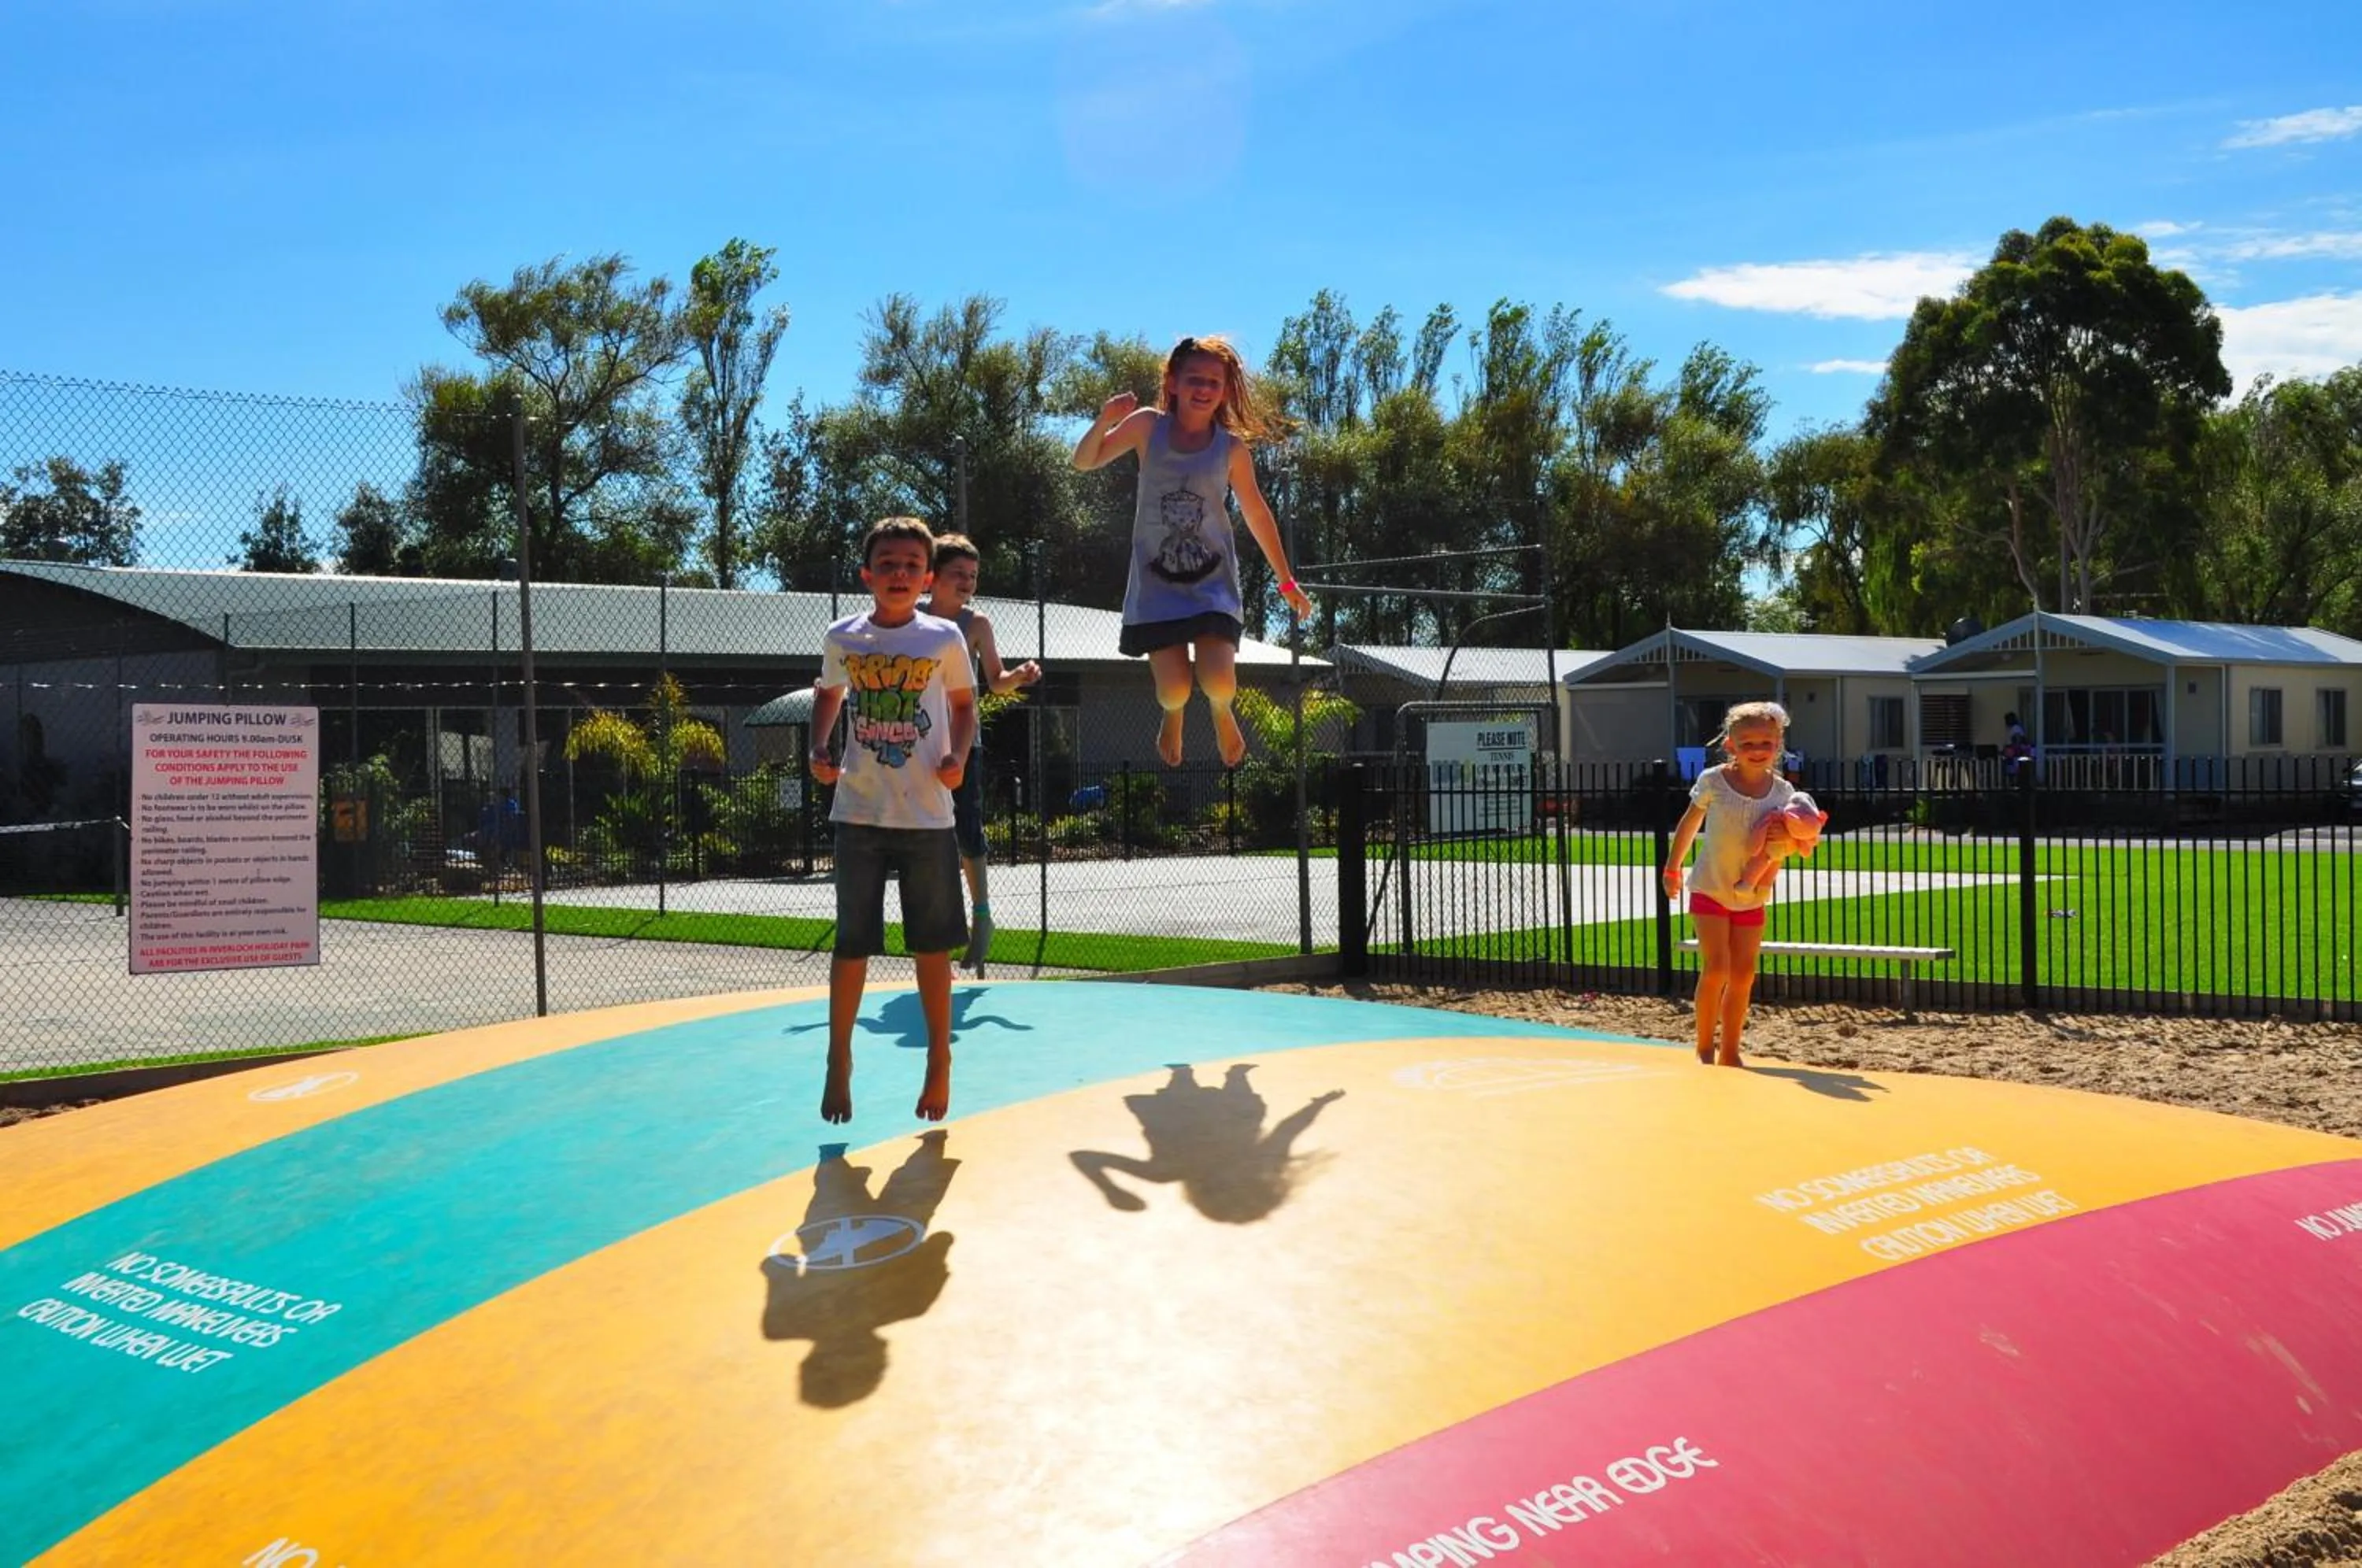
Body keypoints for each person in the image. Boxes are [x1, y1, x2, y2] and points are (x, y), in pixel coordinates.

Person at [1070, 335, 1313, 768]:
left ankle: (1222, 712)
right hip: (1156, 583)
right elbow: (1084, 461)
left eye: (1214, 382)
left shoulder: (1231, 449)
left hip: (1212, 583)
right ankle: (1173, 714)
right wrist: (1105, 419)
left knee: (1219, 682)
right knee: (1174, 689)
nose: (1204, 389)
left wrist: (1286, 580)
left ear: (1225, 391)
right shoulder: (1148, 427)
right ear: (1174, 382)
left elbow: (1257, 514)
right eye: (1195, 379)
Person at [809, 517, 976, 1124]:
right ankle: (838, 1057)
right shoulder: (843, 637)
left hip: (928, 818)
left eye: (911, 565)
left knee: (930, 947)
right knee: (852, 944)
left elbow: (964, 704)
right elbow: (828, 694)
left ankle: (938, 1059)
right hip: (859, 811)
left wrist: (958, 755)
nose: (899, 574)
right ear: (868, 575)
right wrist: (818, 748)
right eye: (888, 564)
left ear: (928, 578)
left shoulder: (942, 639)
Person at [1660, 701, 1825, 1068]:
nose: (1757, 750)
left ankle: (1731, 1050)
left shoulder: (1784, 793)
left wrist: (1799, 837)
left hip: (1752, 895)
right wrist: (1673, 868)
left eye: (1765, 743)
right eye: (1747, 743)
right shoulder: (1714, 781)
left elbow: (1796, 837)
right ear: (1731, 745)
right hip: (1711, 887)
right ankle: (1705, 1046)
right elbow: (1688, 824)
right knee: (1717, 968)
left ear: (1778, 744)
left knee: (1744, 973)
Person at [920, 532, 1043, 976]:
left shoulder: (976, 624)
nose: (967, 582)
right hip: (914, 740)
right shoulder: (911, 620)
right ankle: (940, 928)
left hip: (960, 741)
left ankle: (983, 915)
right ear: (932, 578)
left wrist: (1020, 675)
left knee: (967, 830)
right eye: (958, 574)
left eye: (972, 576)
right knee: (928, 837)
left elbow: (995, 680)